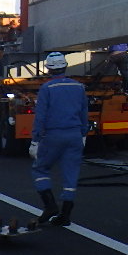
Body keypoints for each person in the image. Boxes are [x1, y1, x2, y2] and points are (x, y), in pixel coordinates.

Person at [30, 51, 88, 227]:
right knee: (71, 173)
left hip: (53, 135)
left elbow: (40, 116)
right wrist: (83, 134)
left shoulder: (47, 88)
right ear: (65, 66)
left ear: (48, 69)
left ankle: (50, 206)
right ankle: (65, 215)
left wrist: (35, 140)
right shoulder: (79, 87)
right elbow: (84, 113)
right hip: (75, 135)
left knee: (40, 169)